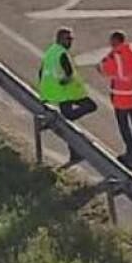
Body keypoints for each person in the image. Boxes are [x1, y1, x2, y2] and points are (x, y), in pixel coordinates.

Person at [37, 27, 96, 165]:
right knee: (90, 106)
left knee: (69, 123)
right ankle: (70, 128)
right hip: (66, 93)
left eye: (71, 39)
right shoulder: (61, 54)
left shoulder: (50, 52)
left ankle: (74, 153)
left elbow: (42, 72)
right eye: (68, 39)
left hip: (54, 93)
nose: (70, 42)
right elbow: (69, 75)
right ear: (60, 39)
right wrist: (66, 83)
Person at [98, 31, 132, 168]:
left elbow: (105, 70)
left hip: (120, 96)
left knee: (124, 126)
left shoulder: (114, 56)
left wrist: (104, 62)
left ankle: (130, 152)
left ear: (115, 41)